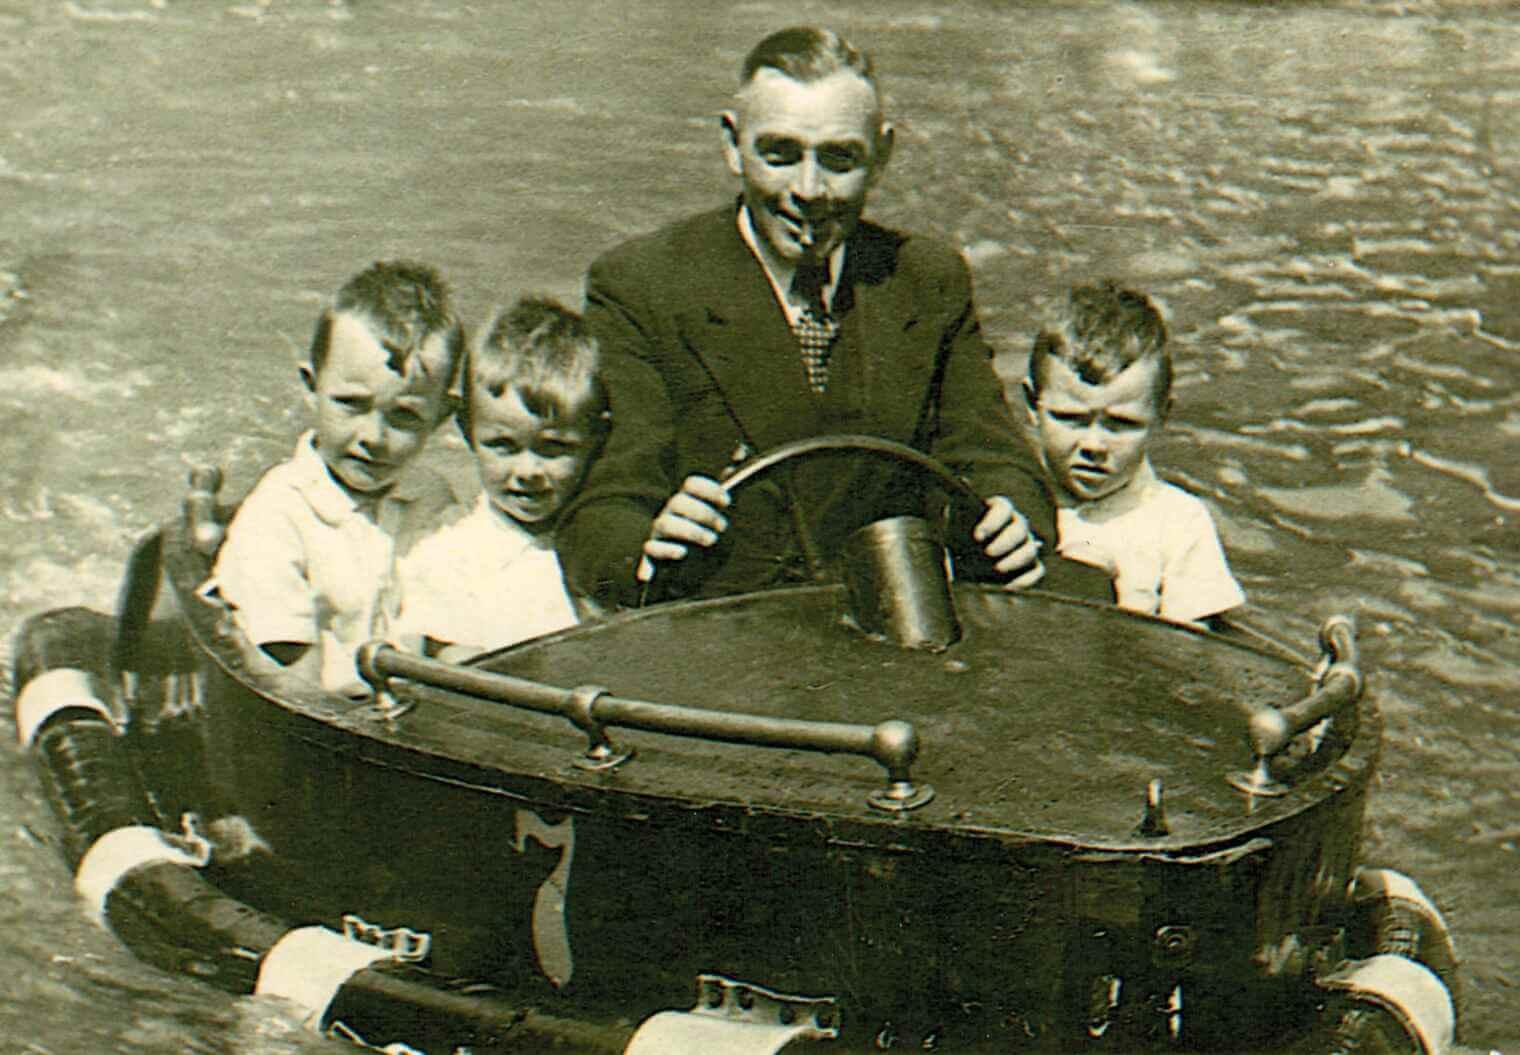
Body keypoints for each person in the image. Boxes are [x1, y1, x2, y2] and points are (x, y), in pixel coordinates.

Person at [558, 25, 1111, 608]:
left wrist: (1011, 517)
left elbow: (994, 457)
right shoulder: (643, 282)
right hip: (722, 629)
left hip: (898, 619)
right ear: (731, 144)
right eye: (780, 154)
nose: (809, 189)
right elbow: (606, 502)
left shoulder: (926, 279)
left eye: (840, 159)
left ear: (883, 154)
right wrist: (647, 542)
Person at [205, 260, 464, 694]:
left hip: (408, 715)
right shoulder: (276, 517)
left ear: (441, 417)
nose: (373, 438)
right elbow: (294, 687)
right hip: (318, 728)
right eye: (351, 404)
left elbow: (451, 627)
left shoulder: (433, 497)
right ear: (311, 387)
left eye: (404, 416)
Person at [1023, 280, 1245, 626]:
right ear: (1032, 405)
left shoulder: (1178, 522)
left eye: (1121, 424)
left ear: (1162, 414)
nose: (1094, 446)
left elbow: (1189, 654)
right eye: (1070, 419)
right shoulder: (1007, 497)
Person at [397, 297, 607, 659]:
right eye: (503, 446)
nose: (527, 473)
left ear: (596, 437)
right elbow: (458, 666)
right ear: (468, 432)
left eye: (553, 447)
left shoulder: (605, 538)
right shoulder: (447, 555)